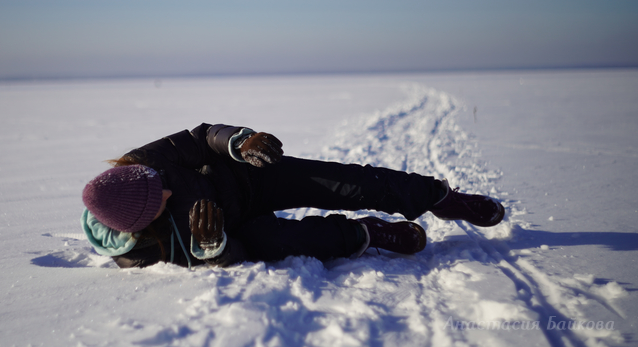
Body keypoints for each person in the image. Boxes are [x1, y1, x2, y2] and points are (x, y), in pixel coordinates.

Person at [80, 123, 505, 268]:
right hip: (240, 228)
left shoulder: (142, 163)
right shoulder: (143, 253)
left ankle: (436, 197)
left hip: (247, 177)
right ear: (144, 222)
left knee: (344, 182)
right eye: (159, 196)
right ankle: (367, 235)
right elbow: (231, 257)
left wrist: (238, 142)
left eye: (157, 180)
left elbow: (200, 138)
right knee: (279, 243)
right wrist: (214, 249)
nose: (167, 187)